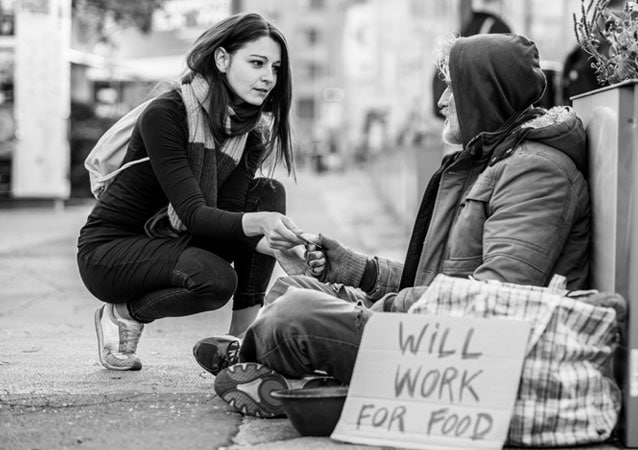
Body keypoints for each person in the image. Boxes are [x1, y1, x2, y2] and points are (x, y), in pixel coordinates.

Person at [196, 33, 591, 418]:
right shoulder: (493, 160)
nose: (442, 101)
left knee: (294, 313)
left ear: (485, 92)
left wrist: (383, 310)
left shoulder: (537, 172)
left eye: (452, 88)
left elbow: (492, 299)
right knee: (293, 287)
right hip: (436, 326)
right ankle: (301, 381)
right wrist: (357, 270)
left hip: (462, 350)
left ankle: (267, 365)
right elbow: (438, 278)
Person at [77, 13, 312, 371]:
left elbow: (228, 214)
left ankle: (240, 342)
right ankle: (122, 314)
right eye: (257, 63)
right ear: (221, 59)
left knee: (267, 194)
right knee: (215, 279)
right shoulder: (166, 113)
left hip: (177, 240)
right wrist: (260, 225)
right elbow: (194, 213)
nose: (269, 77)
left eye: (276, 68)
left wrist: (281, 244)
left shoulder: (247, 134)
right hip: (111, 251)